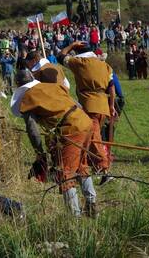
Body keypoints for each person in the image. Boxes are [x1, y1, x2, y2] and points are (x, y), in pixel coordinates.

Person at [11, 69, 98, 217]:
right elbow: (76, 104)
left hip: (71, 130)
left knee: (65, 173)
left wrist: (39, 153)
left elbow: (32, 129)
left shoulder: (28, 98)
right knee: (81, 166)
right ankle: (91, 204)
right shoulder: (52, 86)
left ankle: (74, 218)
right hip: (85, 122)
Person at [57, 41, 115, 182]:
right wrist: (112, 106)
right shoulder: (105, 65)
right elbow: (111, 88)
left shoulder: (79, 62)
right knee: (91, 138)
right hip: (104, 106)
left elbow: (60, 56)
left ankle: (104, 170)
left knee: (94, 139)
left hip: (90, 105)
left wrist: (71, 45)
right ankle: (85, 167)